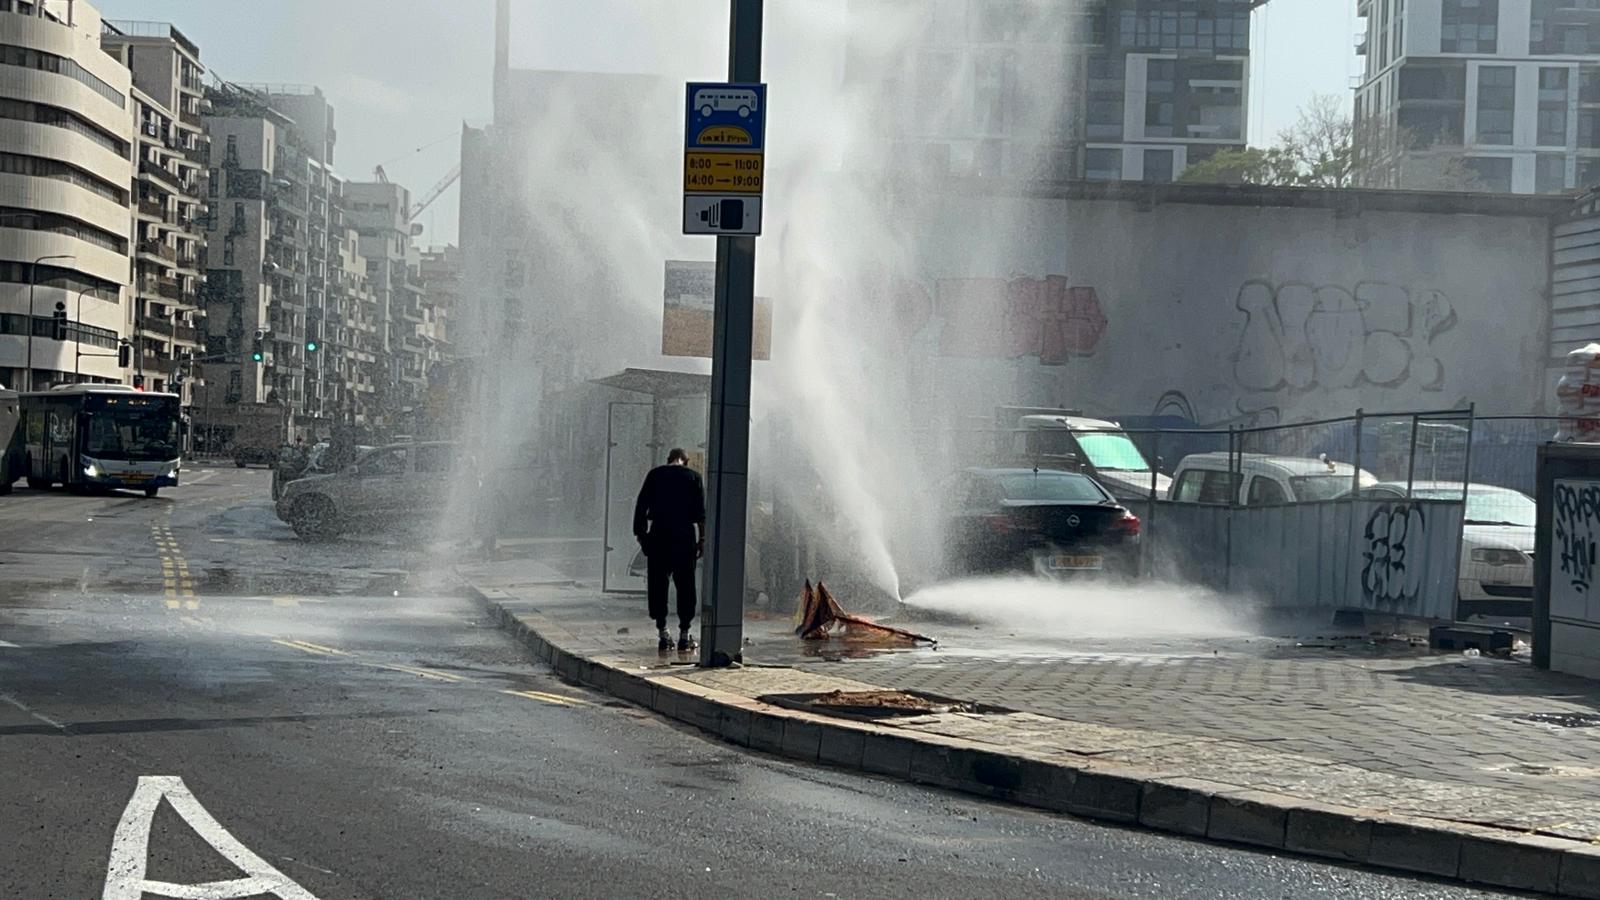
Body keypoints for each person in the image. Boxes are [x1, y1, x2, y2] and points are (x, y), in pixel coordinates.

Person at [632, 448, 705, 652]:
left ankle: (663, 633)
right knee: (686, 586)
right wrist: (702, 541)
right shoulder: (694, 477)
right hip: (684, 536)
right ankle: (684, 634)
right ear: (686, 461)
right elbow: (700, 514)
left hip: (659, 534)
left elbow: (640, 506)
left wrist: (642, 536)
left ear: (669, 460)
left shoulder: (655, 475)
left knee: (658, 584)